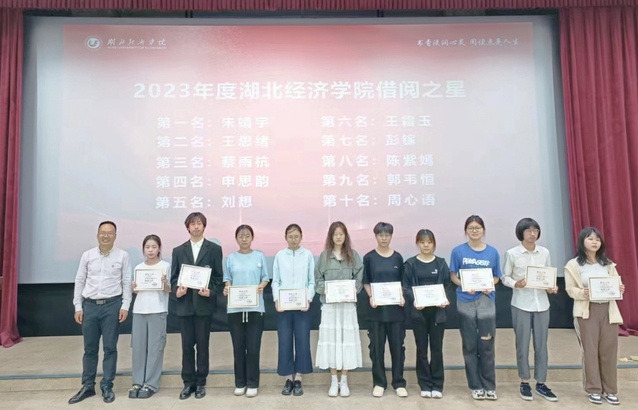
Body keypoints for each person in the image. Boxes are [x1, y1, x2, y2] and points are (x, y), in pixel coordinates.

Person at [68, 221, 132, 404]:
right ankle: (88, 386)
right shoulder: (87, 255)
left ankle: (107, 386)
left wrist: (125, 305)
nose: (106, 236)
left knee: (110, 348)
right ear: (97, 235)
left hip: (112, 306)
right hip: (89, 306)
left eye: (110, 233)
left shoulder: (123, 256)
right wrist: (78, 306)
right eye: (103, 232)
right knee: (90, 349)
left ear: (115, 236)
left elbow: (126, 281)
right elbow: (80, 280)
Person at [565, 227, 625, 406]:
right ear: (582, 241)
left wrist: (619, 288)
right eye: (590, 238)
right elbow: (570, 289)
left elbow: (617, 284)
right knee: (590, 351)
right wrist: (582, 292)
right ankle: (594, 389)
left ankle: (610, 390)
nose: (594, 242)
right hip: (587, 311)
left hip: (608, 310)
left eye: (597, 239)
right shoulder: (574, 265)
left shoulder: (608, 264)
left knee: (609, 351)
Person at [502, 218, 559, 402]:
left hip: (542, 304)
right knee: (522, 344)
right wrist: (515, 284)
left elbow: (548, 275)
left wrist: (552, 286)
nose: (532, 234)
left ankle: (541, 383)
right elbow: (505, 277)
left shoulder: (544, 252)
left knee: (541, 344)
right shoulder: (512, 253)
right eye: (528, 230)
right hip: (521, 303)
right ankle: (524, 381)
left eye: (535, 230)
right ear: (521, 233)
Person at [171, 212, 223, 400]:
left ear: (204, 226)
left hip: (203, 306)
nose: (196, 227)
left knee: (202, 346)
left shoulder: (214, 249)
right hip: (185, 305)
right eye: (192, 224)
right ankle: (188, 383)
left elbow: (218, 278)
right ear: (187, 227)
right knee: (186, 347)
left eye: (199, 223)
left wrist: (211, 291)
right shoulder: (178, 251)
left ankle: (201, 382)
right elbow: (174, 278)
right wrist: (177, 291)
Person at [449, 215, 502, 401]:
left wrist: (490, 284)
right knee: (470, 344)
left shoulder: (492, 252)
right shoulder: (458, 251)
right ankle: (475, 385)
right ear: (466, 231)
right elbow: (453, 276)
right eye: (470, 228)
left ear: (483, 230)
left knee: (487, 344)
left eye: (477, 227)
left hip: (486, 300)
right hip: (465, 301)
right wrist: (464, 285)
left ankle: (489, 385)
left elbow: (497, 276)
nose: (474, 231)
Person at [315, 221, 363, 398]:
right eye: (335, 234)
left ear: (346, 236)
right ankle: (334, 380)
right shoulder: (324, 256)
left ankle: (344, 380)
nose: (338, 237)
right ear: (331, 236)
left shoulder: (353, 255)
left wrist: (353, 289)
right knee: (331, 342)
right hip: (330, 307)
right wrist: (325, 289)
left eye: (341, 234)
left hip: (347, 306)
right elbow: (318, 279)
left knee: (346, 341)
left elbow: (359, 276)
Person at [403, 229, 450, 399]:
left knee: (437, 349)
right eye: (422, 242)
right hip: (419, 313)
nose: (426, 245)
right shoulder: (410, 264)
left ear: (434, 243)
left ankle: (437, 385)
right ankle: (424, 384)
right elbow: (406, 287)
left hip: (438, 313)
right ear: (418, 243)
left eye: (429, 242)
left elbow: (447, 285)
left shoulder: (441, 263)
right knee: (421, 349)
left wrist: (444, 299)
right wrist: (415, 299)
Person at [223, 225, 269, 398]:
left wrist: (261, 287)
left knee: (253, 348)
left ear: (252, 238)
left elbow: (265, 277)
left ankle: (252, 383)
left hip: (255, 309)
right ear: (236, 238)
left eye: (247, 235)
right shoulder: (231, 258)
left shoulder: (259, 256)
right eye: (241, 236)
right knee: (238, 348)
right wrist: (228, 288)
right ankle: (240, 383)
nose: (244, 239)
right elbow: (227, 278)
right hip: (235, 309)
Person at [362, 222, 408, 398]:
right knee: (376, 349)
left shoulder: (398, 258)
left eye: (387, 235)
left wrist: (401, 296)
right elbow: (366, 282)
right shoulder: (369, 258)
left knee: (398, 349)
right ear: (375, 236)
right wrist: (371, 296)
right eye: (380, 235)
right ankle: (379, 383)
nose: (383, 238)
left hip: (396, 312)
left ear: (391, 236)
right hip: (376, 312)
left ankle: (399, 383)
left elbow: (402, 282)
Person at [272, 224, 315, 396]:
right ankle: (288, 378)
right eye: (290, 237)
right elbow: (276, 281)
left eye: (296, 236)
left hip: (302, 306)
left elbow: (311, 281)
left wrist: (308, 298)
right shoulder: (280, 256)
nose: (293, 240)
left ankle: (298, 378)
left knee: (302, 341)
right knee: (285, 341)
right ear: (285, 238)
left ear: (301, 237)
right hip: (284, 307)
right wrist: (277, 299)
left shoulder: (308, 255)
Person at [128, 234, 171, 399]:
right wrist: (134, 287)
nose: (150, 250)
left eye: (154, 247)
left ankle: (150, 384)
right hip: (139, 310)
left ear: (159, 248)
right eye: (147, 247)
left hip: (158, 310)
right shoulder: (138, 267)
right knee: (138, 348)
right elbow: (137, 291)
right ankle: (137, 382)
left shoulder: (165, 266)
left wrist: (164, 283)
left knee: (155, 348)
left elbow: (169, 290)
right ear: (143, 249)